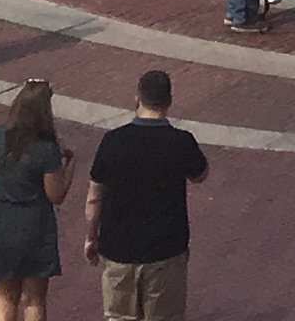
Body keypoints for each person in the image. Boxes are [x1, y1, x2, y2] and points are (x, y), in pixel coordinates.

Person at [84, 68, 206, 321]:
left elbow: (94, 197)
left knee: (119, 317)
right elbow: (200, 174)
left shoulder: (113, 141)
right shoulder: (181, 141)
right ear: (169, 102)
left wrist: (91, 237)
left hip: (119, 250)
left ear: (137, 100)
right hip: (165, 250)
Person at [0, 75, 74, 321]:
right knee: (34, 299)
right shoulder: (46, 148)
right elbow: (56, 194)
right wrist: (69, 163)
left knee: (4, 296)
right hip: (34, 225)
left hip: (1, 220)